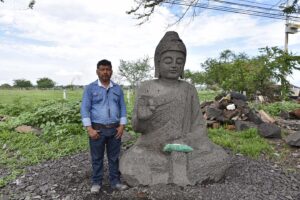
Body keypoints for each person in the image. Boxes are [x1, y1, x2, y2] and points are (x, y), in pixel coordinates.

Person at [119, 31, 229, 186]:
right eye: (168, 60)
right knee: (131, 161)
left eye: (179, 61)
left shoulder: (188, 89)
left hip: (184, 146)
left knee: (220, 157)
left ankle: (163, 177)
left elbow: (199, 125)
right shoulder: (147, 87)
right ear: (158, 63)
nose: (174, 65)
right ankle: (175, 176)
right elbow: (138, 128)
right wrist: (142, 118)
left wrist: (186, 140)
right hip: (152, 148)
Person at [81, 59, 128, 193]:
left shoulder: (117, 88)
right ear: (97, 71)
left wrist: (122, 125)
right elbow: (85, 109)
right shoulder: (90, 88)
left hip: (115, 129)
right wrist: (89, 128)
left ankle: (115, 182)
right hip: (97, 129)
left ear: (111, 71)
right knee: (97, 158)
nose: (105, 72)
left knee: (114, 158)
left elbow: (122, 107)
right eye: (102, 69)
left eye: (108, 69)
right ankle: (96, 183)